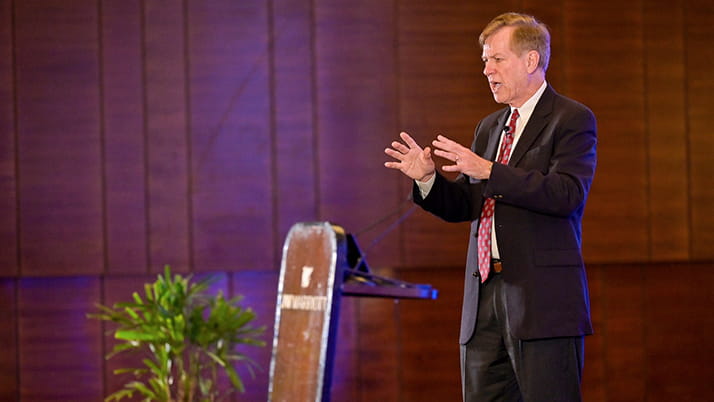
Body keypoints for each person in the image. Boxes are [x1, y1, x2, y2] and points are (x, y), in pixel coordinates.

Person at [384, 12, 597, 402]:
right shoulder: (489, 127)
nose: (487, 70)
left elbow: (567, 194)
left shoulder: (570, 119)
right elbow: (467, 204)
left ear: (531, 61)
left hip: (541, 303)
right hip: (483, 300)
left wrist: (487, 169)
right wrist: (427, 179)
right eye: (484, 61)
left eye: (496, 59)